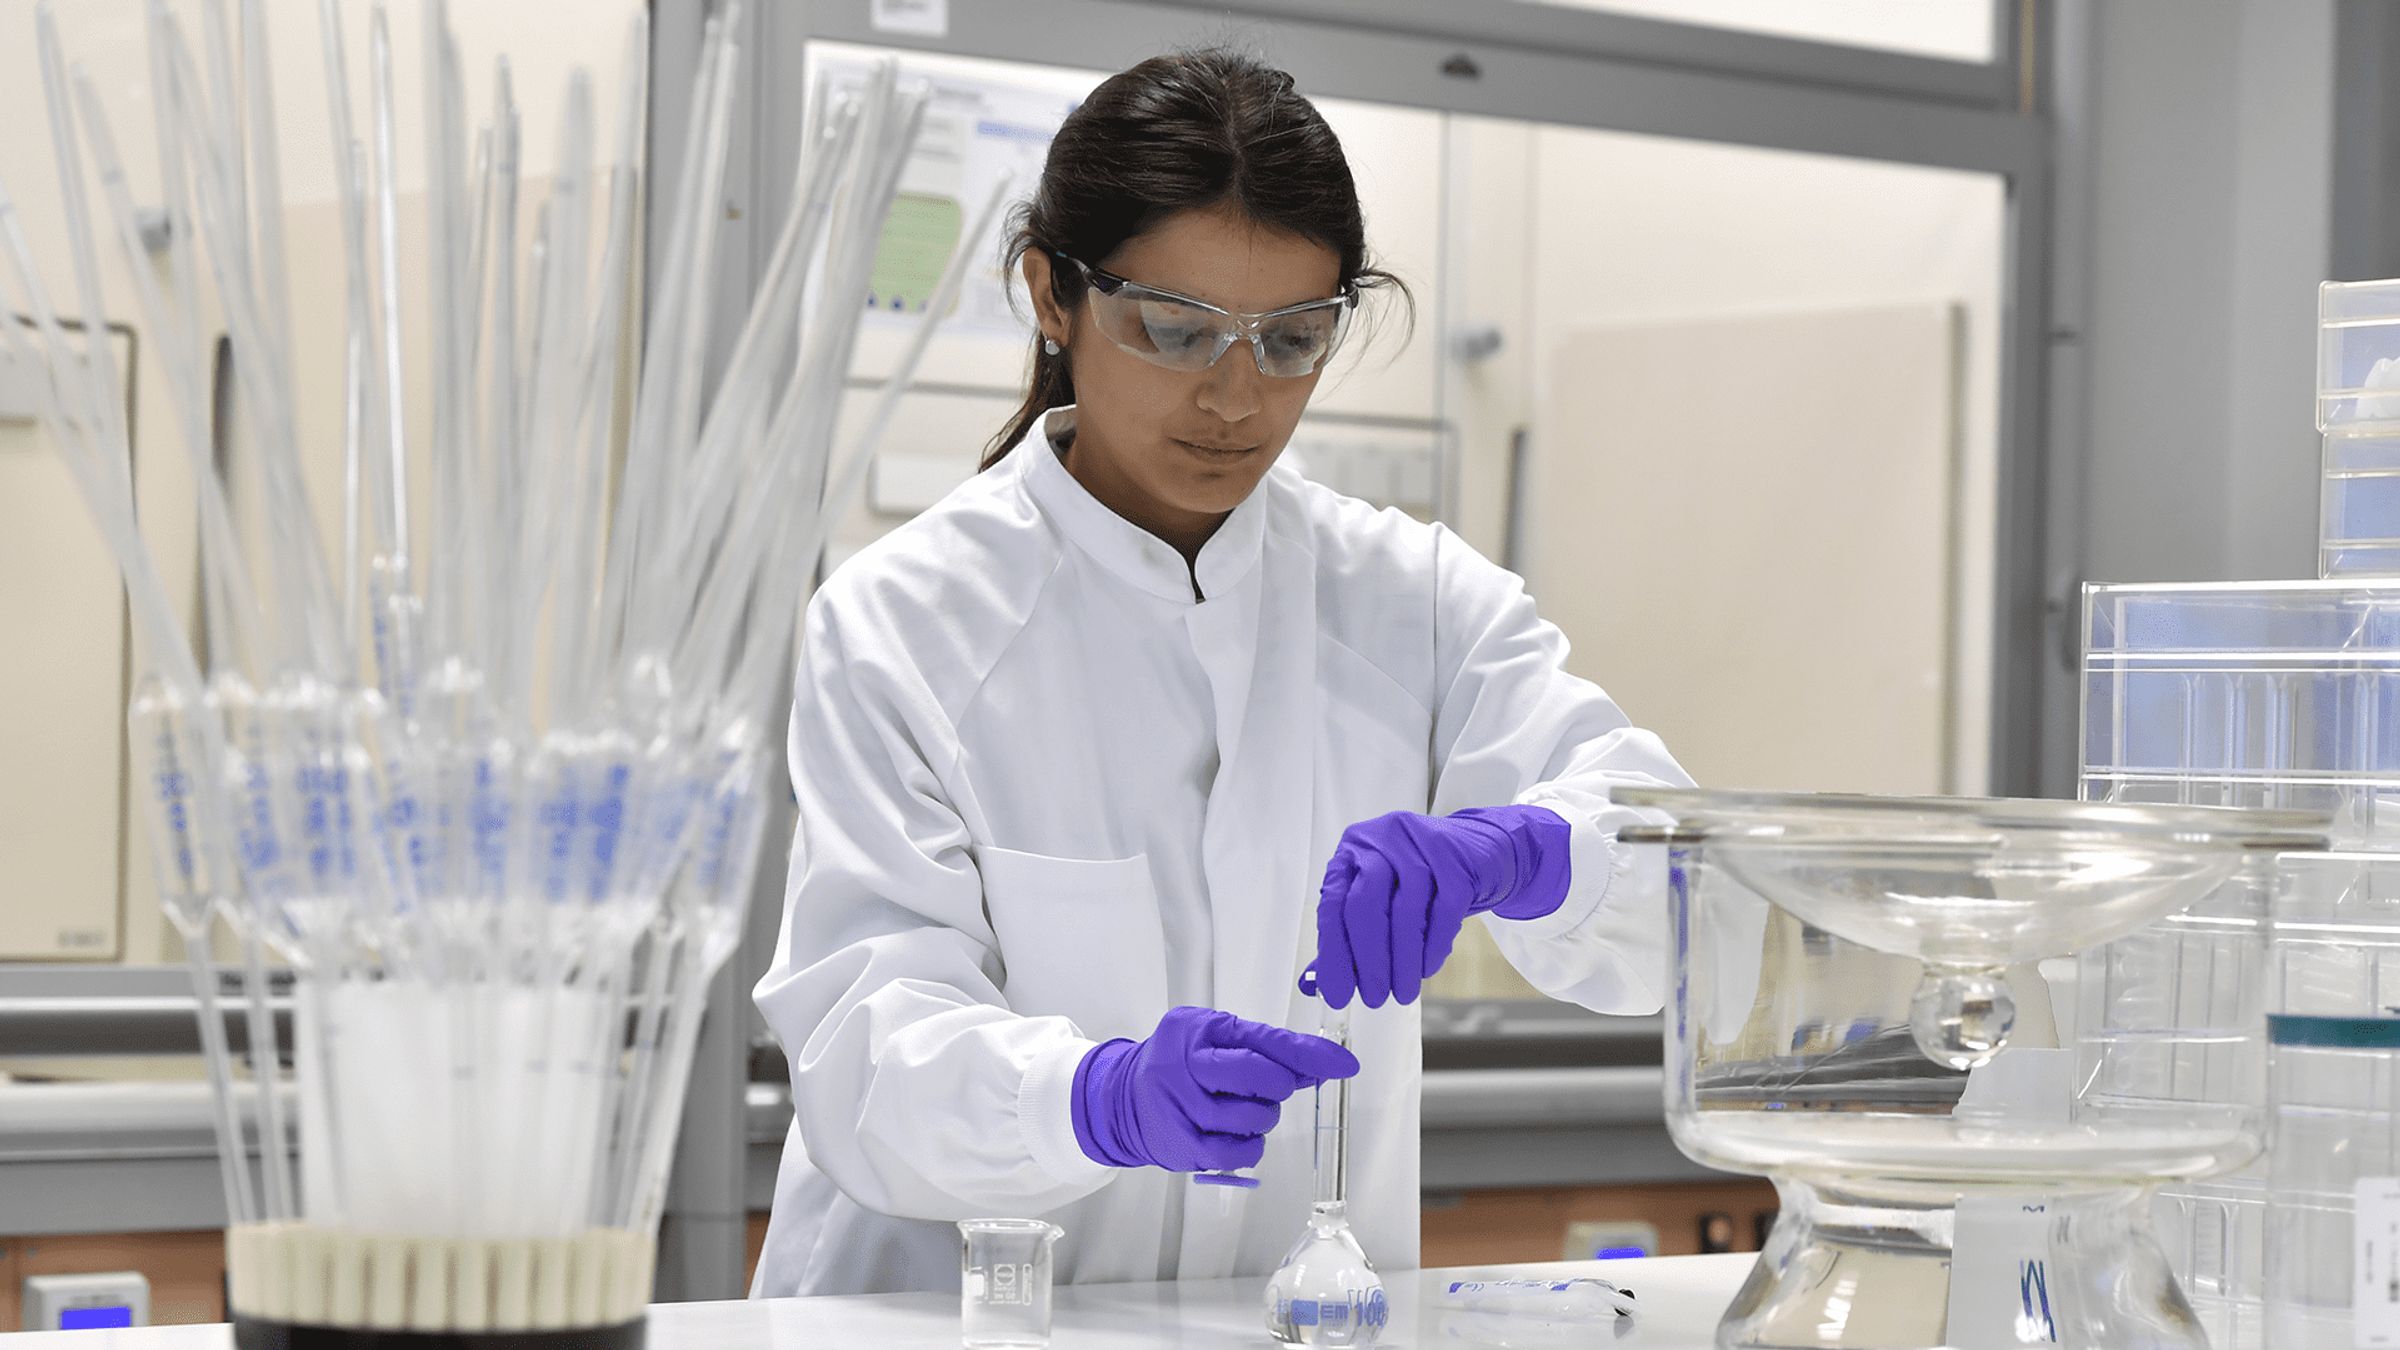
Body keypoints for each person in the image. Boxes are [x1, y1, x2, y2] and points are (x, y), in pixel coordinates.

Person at [750, 47, 1690, 1299]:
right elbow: (867, 1053)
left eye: (1294, 339)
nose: (1235, 397)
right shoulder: (901, 626)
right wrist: (1095, 1099)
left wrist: (1528, 853)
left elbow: (1676, 894)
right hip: (945, 1321)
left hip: (1279, 1318)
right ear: (1050, 293)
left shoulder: (1409, 598)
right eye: (1176, 329)